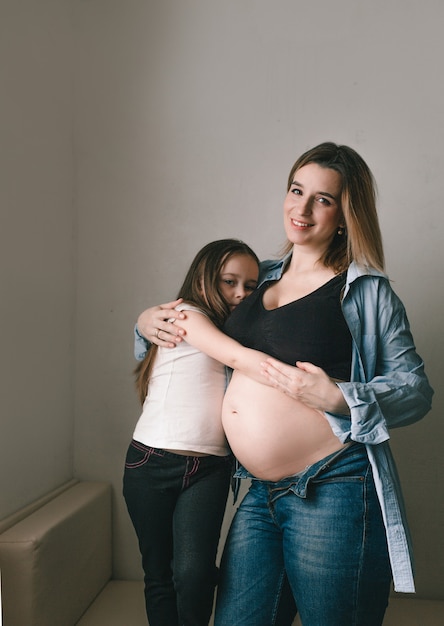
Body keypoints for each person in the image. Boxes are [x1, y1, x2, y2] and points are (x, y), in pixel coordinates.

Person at [134, 142, 434, 626]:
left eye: (323, 199)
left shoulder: (364, 290)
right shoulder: (254, 278)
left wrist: (339, 396)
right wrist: (146, 322)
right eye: (297, 190)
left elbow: (415, 390)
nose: (302, 208)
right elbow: (192, 325)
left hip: (332, 484)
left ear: (344, 214)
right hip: (257, 492)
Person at [124, 238, 294, 626]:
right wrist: (298, 381)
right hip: (151, 462)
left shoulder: (237, 327)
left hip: (209, 470)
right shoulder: (183, 315)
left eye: (250, 286)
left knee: (196, 574)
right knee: (159, 574)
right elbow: (237, 359)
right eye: (228, 282)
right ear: (202, 280)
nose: (240, 294)